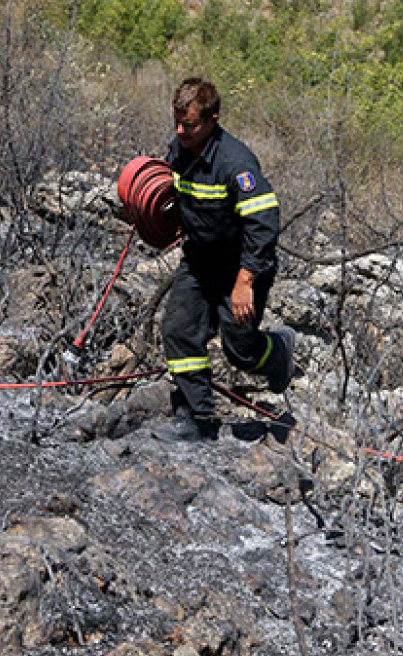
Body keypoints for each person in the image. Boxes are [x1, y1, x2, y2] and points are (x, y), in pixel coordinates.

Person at [151, 77, 296, 443]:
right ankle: (196, 419)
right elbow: (171, 195)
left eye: (190, 124)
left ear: (213, 120)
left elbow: (264, 224)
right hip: (199, 263)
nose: (181, 131)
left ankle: (278, 350)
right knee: (178, 331)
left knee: (240, 351)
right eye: (177, 122)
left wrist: (245, 282)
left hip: (241, 268)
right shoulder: (180, 149)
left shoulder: (236, 163)